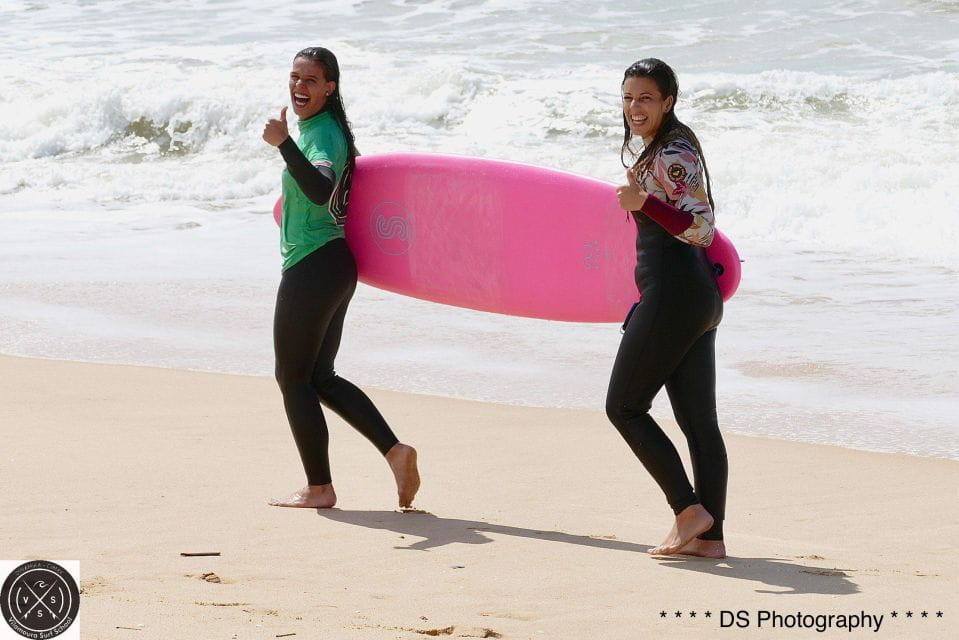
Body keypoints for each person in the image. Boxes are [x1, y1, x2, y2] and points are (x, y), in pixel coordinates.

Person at [262, 47, 420, 510]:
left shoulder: (321, 134)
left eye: (311, 80)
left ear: (330, 87)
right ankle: (395, 452)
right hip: (330, 265)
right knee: (319, 377)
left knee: (292, 378)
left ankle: (319, 488)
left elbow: (320, 188)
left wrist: (284, 144)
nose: (299, 87)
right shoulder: (321, 130)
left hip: (313, 265)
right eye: (294, 78)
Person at [607, 58, 727, 558]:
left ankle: (687, 510)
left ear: (669, 102)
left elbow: (702, 227)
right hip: (696, 298)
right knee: (699, 423)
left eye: (646, 99)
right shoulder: (666, 146)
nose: (635, 108)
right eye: (629, 97)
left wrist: (644, 205)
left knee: (625, 407)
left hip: (675, 294)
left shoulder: (673, 152)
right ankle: (710, 539)